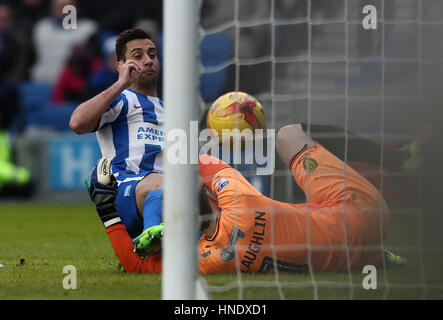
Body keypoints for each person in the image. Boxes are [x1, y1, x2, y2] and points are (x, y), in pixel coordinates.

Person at [86, 123, 405, 274]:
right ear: (210, 197)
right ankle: (394, 158)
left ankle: (378, 257)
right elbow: (198, 162)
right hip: (366, 211)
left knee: (291, 224)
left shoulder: (208, 260)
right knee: (289, 135)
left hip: (354, 256)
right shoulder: (236, 198)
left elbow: (136, 265)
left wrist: (108, 211)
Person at [70, 28, 164, 240]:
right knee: (165, 184)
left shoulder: (171, 112)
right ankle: (151, 234)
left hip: (164, 194)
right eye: (138, 56)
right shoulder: (122, 100)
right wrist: (120, 84)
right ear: (121, 66)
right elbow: (77, 123)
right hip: (127, 190)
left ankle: (147, 247)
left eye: (152, 54)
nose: (148, 60)